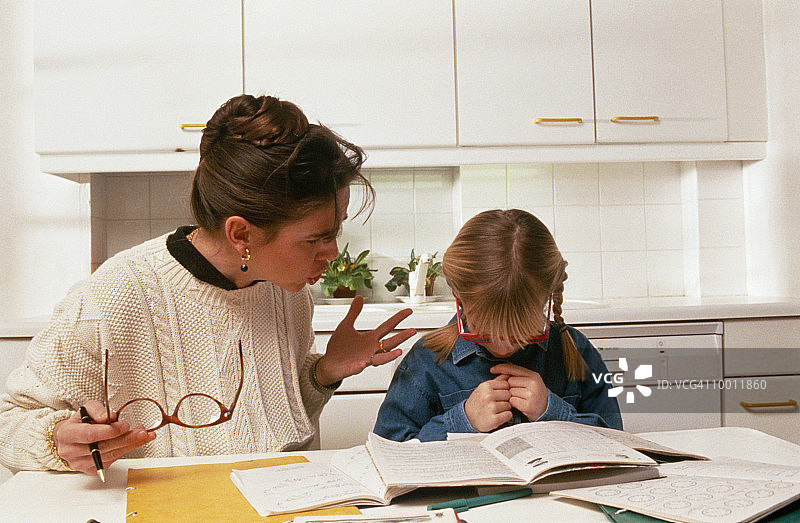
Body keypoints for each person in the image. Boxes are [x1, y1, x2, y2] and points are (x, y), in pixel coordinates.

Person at [0, 94, 414, 477]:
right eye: (315, 238)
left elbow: (271, 429)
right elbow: (10, 423)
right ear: (241, 234)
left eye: (334, 231)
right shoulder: (117, 293)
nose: (332, 252)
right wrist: (57, 441)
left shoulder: (287, 294)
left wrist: (322, 374)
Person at [373, 209, 622, 442]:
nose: (503, 348)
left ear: (547, 299)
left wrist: (553, 411)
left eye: (520, 334)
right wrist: (461, 420)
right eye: (485, 333)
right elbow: (388, 450)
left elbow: (617, 443)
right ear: (459, 297)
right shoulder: (427, 362)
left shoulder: (577, 352)